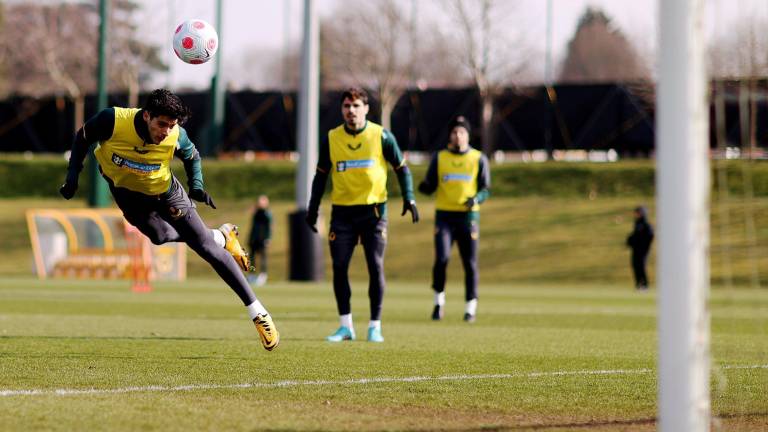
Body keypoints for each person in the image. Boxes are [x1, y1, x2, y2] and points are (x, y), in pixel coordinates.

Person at [58, 89, 279, 351]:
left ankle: (259, 313)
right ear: (146, 115)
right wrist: (73, 175)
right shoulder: (113, 120)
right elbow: (82, 138)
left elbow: (192, 156)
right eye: (161, 124)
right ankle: (222, 236)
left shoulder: (175, 134)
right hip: (127, 194)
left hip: (166, 192)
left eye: (171, 125)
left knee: (204, 248)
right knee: (160, 236)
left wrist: (195, 186)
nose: (165, 131)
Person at [306, 87, 419, 343]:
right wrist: (313, 209)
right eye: (347, 106)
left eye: (356, 106)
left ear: (366, 108)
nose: (351, 111)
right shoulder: (332, 138)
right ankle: (346, 326)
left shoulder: (381, 135)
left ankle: (374, 326)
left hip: (374, 212)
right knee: (339, 267)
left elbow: (402, 168)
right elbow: (321, 175)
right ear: (342, 110)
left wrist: (409, 196)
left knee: (375, 266)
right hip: (342, 214)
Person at [418, 116, 491, 323]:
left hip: (468, 218)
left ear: (467, 135)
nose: (458, 136)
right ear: (450, 136)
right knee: (441, 259)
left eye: (461, 132)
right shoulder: (440, 158)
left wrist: (476, 198)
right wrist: (424, 187)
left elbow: (486, 189)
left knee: (470, 263)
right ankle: (438, 303)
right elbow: (430, 183)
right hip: (445, 217)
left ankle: (470, 308)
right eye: (454, 132)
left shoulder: (478, 158)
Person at [626, 206, 654, 290]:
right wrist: (630, 240)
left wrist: (644, 245)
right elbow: (635, 235)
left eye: (638, 212)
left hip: (643, 250)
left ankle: (645, 285)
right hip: (636, 249)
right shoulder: (637, 223)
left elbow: (650, 236)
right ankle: (638, 284)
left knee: (641, 266)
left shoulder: (646, 224)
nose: (636, 214)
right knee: (635, 265)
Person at [247, 194, 272, 286]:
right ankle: (251, 275)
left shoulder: (267, 214)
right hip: (254, 239)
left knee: (263, 258)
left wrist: (268, 238)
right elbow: (253, 227)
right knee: (252, 258)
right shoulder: (256, 213)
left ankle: (263, 275)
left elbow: (269, 227)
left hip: (262, 239)